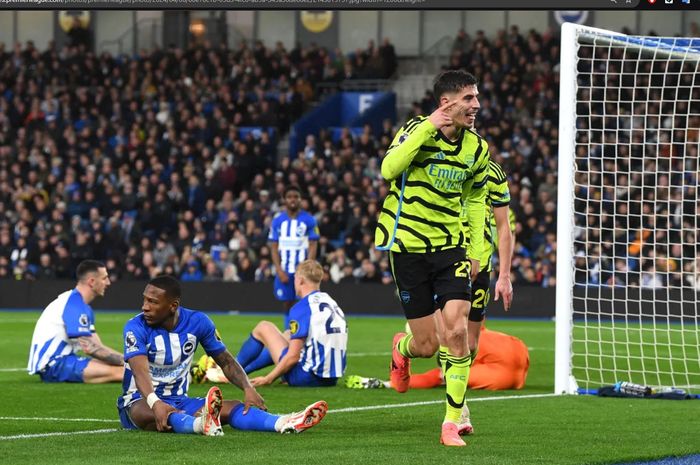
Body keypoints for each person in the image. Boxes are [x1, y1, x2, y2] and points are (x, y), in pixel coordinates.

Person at [374, 69, 490, 447]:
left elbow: (474, 199)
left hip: (449, 248)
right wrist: (427, 127)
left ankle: (451, 423)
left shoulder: (477, 148)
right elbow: (388, 169)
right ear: (447, 103)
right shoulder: (414, 130)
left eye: (476, 98)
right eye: (469, 98)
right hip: (407, 247)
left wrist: (476, 249)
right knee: (426, 345)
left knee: (457, 332)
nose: (476, 105)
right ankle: (401, 348)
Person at [116, 275, 328, 436]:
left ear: (173, 306)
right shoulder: (135, 327)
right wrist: (155, 402)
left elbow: (225, 360)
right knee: (146, 411)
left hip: (179, 400)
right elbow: (139, 370)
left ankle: (284, 422)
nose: (145, 307)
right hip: (139, 401)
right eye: (145, 300)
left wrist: (248, 388)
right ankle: (201, 424)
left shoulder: (198, 322)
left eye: (153, 302)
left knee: (234, 406)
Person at [199, 260, 348, 387]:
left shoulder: (302, 307)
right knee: (287, 335)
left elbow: (293, 357)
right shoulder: (331, 302)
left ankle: (230, 370)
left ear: (301, 280)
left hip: (308, 377)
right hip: (331, 378)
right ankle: (240, 372)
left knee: (264, 327)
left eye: (295, 278)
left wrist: (268, 378)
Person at [27, 259, 124, 383]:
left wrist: (128, 361)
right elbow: (90, 348)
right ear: (92, 282)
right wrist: (131, 362)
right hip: (54, 365)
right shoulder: (74, 305)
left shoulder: (81, 306)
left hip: (64, 360)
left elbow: (98, 346)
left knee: (126, 369)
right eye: (104, 278)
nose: (108, 282)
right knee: (125, 372)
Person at [345, 326, 529, 391]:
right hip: (518, 352)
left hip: (503, 375)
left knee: (447, 375)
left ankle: (383, 383)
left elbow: (439, 372)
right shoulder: (482, 334)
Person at [269, 185, 320, 324]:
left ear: (300, 199)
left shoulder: (309, 220)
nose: (293, 200)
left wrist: (307, 269)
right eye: (289, 197)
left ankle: (302, 334)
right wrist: (279, 270)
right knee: (287, 303)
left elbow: (313, 245)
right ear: (284, 200)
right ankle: (288, 332)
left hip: (301, 271)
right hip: (285, 270)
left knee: (304, 303)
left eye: (296, 197)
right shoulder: (278, 221)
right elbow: (273, 247)